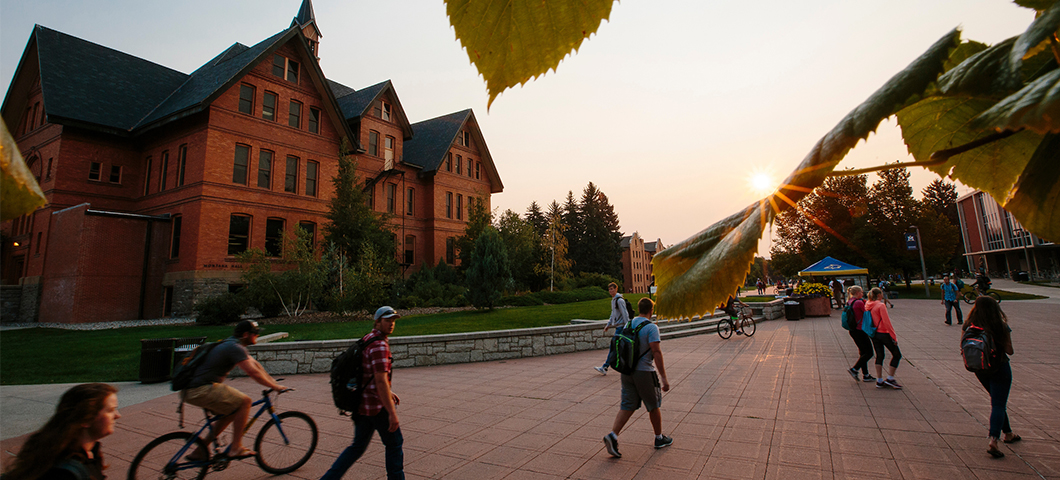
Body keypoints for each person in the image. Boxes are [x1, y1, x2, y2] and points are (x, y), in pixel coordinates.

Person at [181, 320, 286, 460]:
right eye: (255, 333)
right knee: (245, 402)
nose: (257, 336)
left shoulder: (232, 344)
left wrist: (273, 382)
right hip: (199, 389)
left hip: (193, 388)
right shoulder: (235, 347)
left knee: (231, 411)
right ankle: (236, 448)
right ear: (245, 334)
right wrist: (274, 387)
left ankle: (200, 450)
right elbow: (252, 373)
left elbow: (255, 365)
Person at [322, 306, 405, 480]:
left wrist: (389, 391)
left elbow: (368, 374)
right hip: (376, 407)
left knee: (357, 447)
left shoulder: (368, 339)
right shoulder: (379, 346)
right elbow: (380, 381)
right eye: (387, 320)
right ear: (377, 321)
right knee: (394, 444)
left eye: (393, 320)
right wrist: (391, 413)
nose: (391, 324)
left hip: (362, 405)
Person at [4, 383, 120, 480]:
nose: (117, 415)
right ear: (86, 418)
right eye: (110, 410)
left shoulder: (86, 453)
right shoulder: (66, 473)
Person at [602, 297, 672, 458]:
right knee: (653, 405)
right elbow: (656, 352)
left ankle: (613, 435)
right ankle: (659, 438)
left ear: (639, 308)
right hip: (644, 372)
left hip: (627, 372)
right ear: (651, 310)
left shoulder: (628, 324)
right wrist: (664, 378)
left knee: (627, 405)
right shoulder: (651, 327)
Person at [963, 296, 1020, 458]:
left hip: (979, 368)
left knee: (997, 400)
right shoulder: (1000, 326)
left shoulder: (969, 326)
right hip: (999, 366)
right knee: (998, 403)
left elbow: (962, 344)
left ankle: (1008, 434)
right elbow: (1010, 351)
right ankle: (993, 440)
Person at [865, 287, 902, 389]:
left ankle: (879, 380)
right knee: (897, 355)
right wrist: (893, 337)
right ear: (878, 295)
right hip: (884, 333)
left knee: (879, 355)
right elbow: (886, 322)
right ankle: (890, 378)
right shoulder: (880, 305)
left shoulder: (868, 305)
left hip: (874, 333)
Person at [595, 282, 630, 375]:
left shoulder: (619, 301)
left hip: (621, 327)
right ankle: (608, 366)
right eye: (609, 289)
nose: (610, 291)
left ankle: (605, 366)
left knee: (614, 347)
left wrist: (626, 326)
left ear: (616, 289)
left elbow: (625, 314)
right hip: (618, 326)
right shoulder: (613, 300)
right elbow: (613, 313)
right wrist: (608, 324)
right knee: (618, 348)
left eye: (612, 289)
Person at [844, 286, 875, 383]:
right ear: (857, 292)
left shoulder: (850, 301)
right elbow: (868, 311)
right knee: (869, 353)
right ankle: (854, 369)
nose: (862, 294)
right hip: (860, 330)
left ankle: (866, 375)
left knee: (863, 352)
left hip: (853, 330)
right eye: (861, 292)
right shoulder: (858, 303)